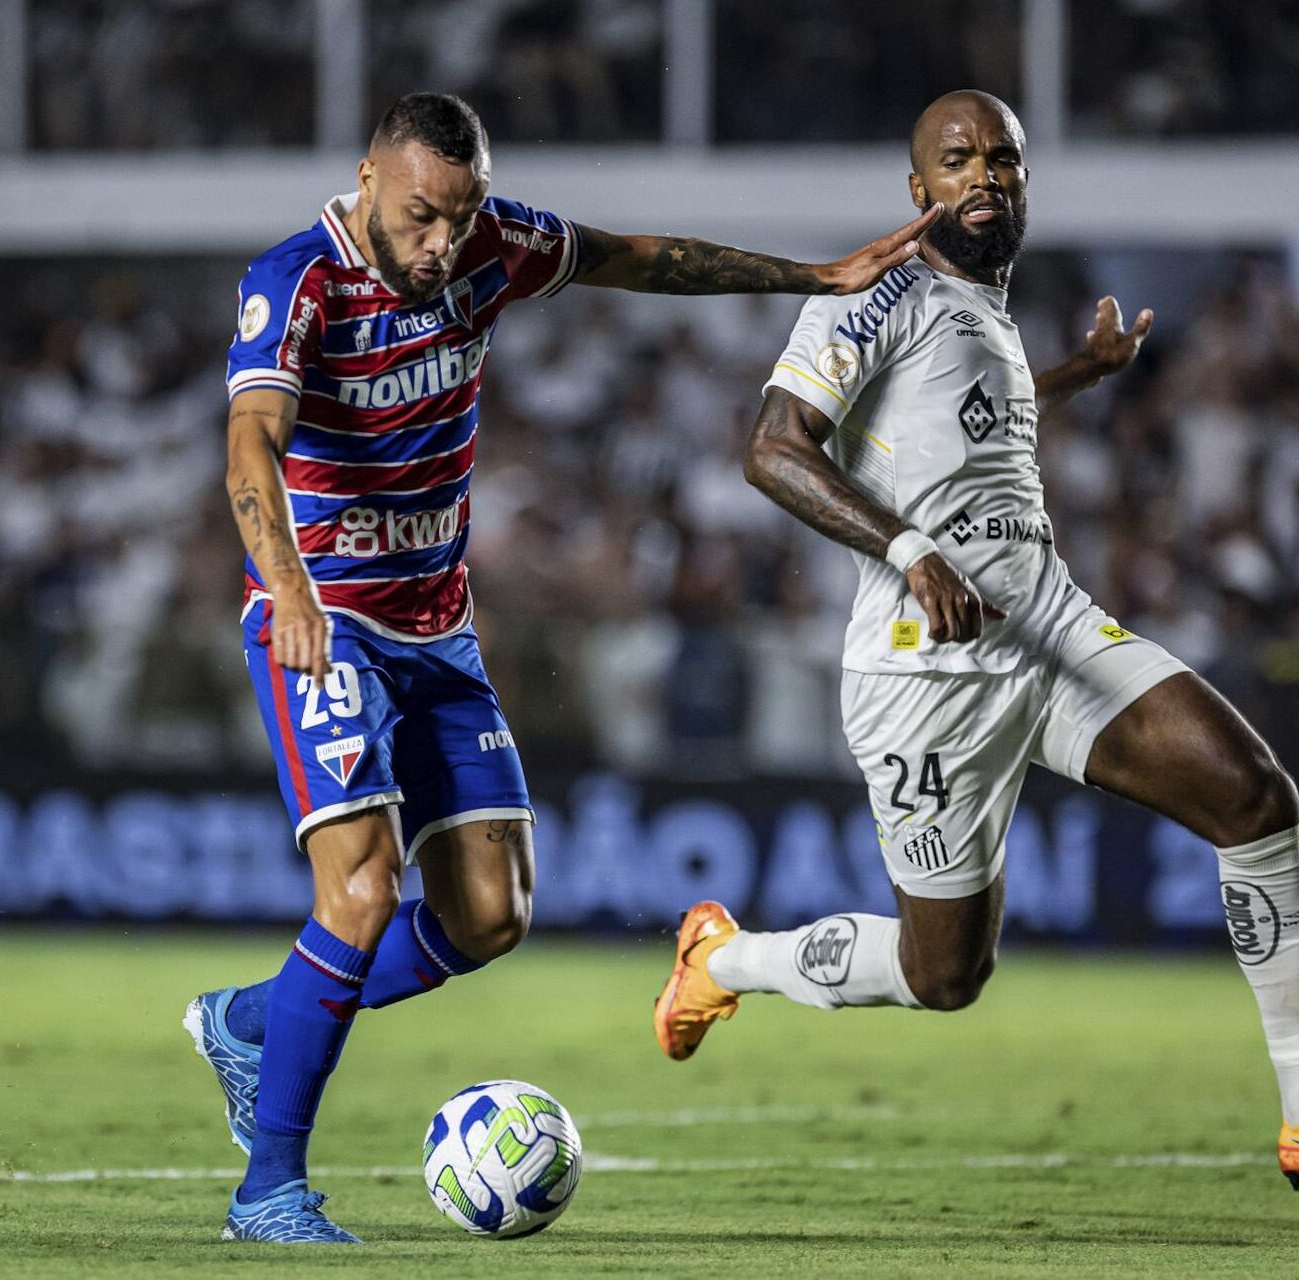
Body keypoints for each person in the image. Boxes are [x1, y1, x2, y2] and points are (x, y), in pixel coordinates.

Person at [653, 90, 1299, 1192]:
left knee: (1253, 797)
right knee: (943, 975)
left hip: (1045, 627)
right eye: (958, 159)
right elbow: (772, 451)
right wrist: (909, 548)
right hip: (922, 673)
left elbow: (962, 426)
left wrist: (1069, 375)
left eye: (1004, 163)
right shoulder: (877, 290)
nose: (984, 177)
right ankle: (720, 959)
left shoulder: (981, 311)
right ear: (916, 188)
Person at [192, 91, 942, 1244]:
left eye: (460, 215)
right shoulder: (297, 279)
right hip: (323, 620)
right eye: (419, 215)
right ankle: (270, 1190)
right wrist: (285, 582)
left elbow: (645, 258)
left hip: (436, 626)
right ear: (365, 181)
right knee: (358, 892)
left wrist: (812, 276)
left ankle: (255, 1017)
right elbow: (251, 434)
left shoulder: (490, 248)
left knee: (492, 912)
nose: (441, 242)